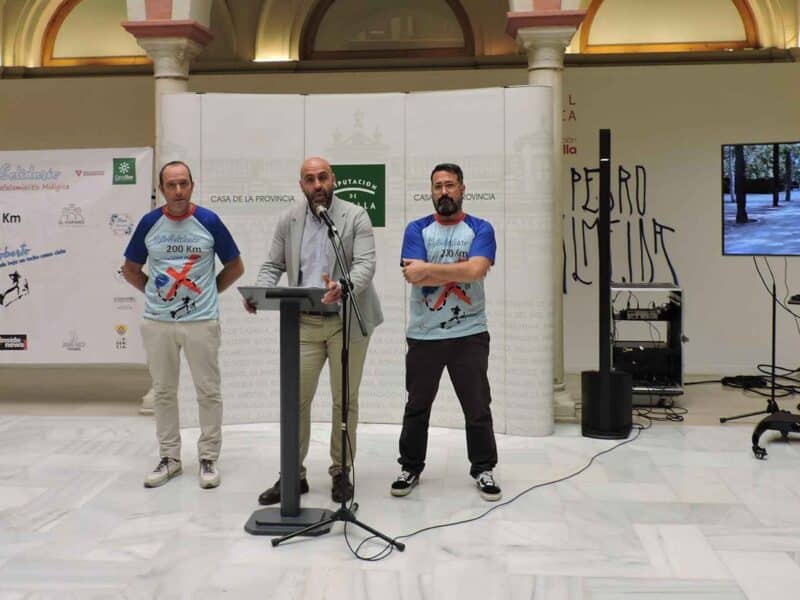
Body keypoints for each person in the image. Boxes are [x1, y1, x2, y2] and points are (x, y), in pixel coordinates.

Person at [246, 156, 382, 505]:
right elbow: (273, 263)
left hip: (345, 320)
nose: (317, 184)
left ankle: (341, 470)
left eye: (323, 177)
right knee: (295, 399)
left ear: (333, 179)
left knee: (344, 400)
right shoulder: (289, 219)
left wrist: (344, 286)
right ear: (301, 185)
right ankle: (293, 474)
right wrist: (260, 292)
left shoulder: (355, 216)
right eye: (310, 179)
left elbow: (365, 264)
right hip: (303, 322)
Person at [122, 160, 244, 489]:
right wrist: (156, 294)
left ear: (192, 185)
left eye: (183, 184)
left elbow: (235, 266)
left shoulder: (209, 221)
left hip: (201, 321)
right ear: (161, 189)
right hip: (158, 322)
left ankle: (208, 458)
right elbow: (130, 269)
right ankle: (170, 458)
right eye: (171, 185)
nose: (178, 191)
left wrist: (208, 293)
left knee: (208, 391)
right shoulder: (149, 223)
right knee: (163, 392)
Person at [391, 162, 502, 502]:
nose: (444, 192)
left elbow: (477, 270)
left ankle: (483, 468)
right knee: (417, 406)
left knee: (477, 405)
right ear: (431, 191)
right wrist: (459, 271)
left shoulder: (481, 228)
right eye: (438, 186)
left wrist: (430, 269)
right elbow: (414, 277)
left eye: (450, 185)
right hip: (424, 334)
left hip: (470, 332)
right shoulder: (417, 229)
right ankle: (410, 467)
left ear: (462, 189)